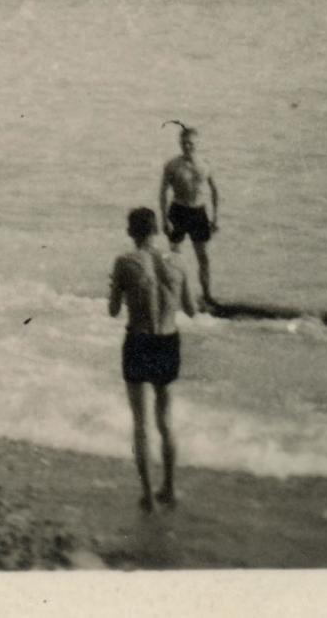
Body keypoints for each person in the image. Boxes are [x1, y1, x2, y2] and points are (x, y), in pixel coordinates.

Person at [108, 205, 198, 510]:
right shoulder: (178, 261)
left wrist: (118, 285)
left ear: (130, 232)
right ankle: (169, 489)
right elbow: (192, 309)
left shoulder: (124, 262)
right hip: (168, 341)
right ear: (157, 230)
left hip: (138, 340)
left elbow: (113, 310)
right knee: (165, 421)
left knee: (140, 423)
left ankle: (147, 496)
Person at [158, 124, 220, 304]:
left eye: (191, 143)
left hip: (198, 212)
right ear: (180, 144)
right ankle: (174, 295)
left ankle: (207, 295)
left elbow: (215, 191)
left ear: (198, 144)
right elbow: (163, 192)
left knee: (204, 257)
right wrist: (164, 220)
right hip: (178, 210)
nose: (187, 147)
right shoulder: (172, 165)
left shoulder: (205, 164)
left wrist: (215, 217)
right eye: (184, 143)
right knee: (174, 257)